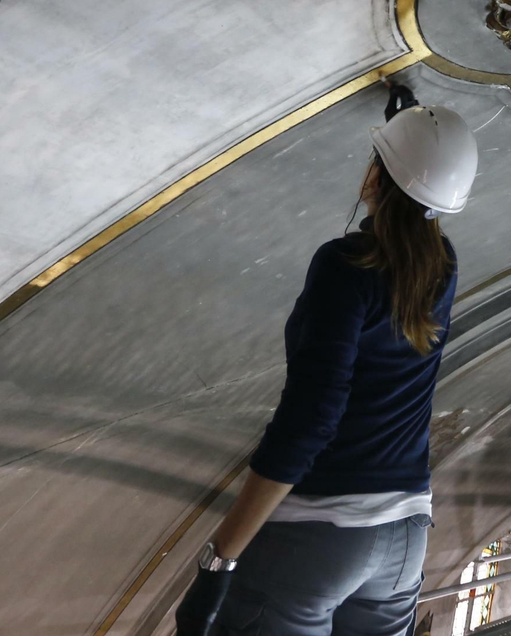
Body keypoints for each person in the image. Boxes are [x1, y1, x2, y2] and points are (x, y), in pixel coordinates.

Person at [175, 82, 479, 636]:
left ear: (374, 177)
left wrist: (218, 563)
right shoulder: (444, 266)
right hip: (405, 537)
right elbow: (414, 216)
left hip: (316, 535)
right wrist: (410, 134)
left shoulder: (344, 265)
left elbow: (312, 418)